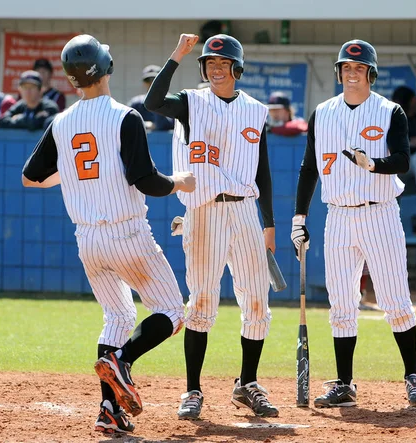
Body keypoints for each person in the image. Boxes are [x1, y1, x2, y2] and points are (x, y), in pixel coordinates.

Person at [21, 34, 196, 435]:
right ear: (107, 67)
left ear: (72, 79)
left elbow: (31, 178)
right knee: (171, 312)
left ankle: (108, 410)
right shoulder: (125, 116)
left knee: (117, 316)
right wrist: (179, 182)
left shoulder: (61, 121)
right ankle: (124, 361)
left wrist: (77, 175)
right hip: (127, 233)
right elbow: (146, 180)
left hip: (88, 239)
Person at [144, 33, 279, 420]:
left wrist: (268, 223)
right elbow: (154, 102)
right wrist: (178, 55)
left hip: (245, 212)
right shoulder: (192, 102)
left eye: (223, 64)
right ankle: (192, 390)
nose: (216, 70)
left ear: (237, 69)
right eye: (210, 64)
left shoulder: (255, 110)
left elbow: (263, 171)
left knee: (257, 301)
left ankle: (247, 383)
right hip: (204, 210)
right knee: (202, 302)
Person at [291, 39, 416, 409]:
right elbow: (309, 169)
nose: (352, 74)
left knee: (394, 298)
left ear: (371, 73)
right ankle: (344, 384)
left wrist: (374, 165)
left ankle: (412, 377)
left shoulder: (389, 111)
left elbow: (403, 160)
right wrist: (299, 217)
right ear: (339, 73)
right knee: (341, 303)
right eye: (346, 68)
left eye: (359, 69)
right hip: (338, 215)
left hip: (379, 212)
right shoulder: (322, 113)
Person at [127, 65, 174, 130]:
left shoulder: (172, 101)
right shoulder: (136, 103)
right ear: (144, 83)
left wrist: (156, 125)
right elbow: (127, 123)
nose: (152, 83)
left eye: (155, 79)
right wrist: (145, 124)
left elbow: (176, 126)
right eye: (148, 80)